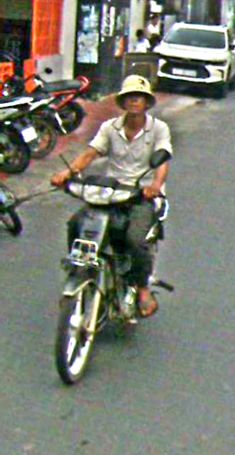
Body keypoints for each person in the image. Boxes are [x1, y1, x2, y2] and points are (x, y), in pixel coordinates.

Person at [51, 75, 173, 318]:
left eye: (139, 97)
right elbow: (91, 153)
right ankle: (79, 268)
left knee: (135, 240)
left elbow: (162, 161)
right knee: (76, 223)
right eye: (130, 97)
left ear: (147, 103)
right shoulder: (110, 127)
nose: (134, 101)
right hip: (111, 192)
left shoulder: (159, 129)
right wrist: (68, 172)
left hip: (141, 195)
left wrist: (155, 185)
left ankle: (142, 288)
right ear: (123, 102)